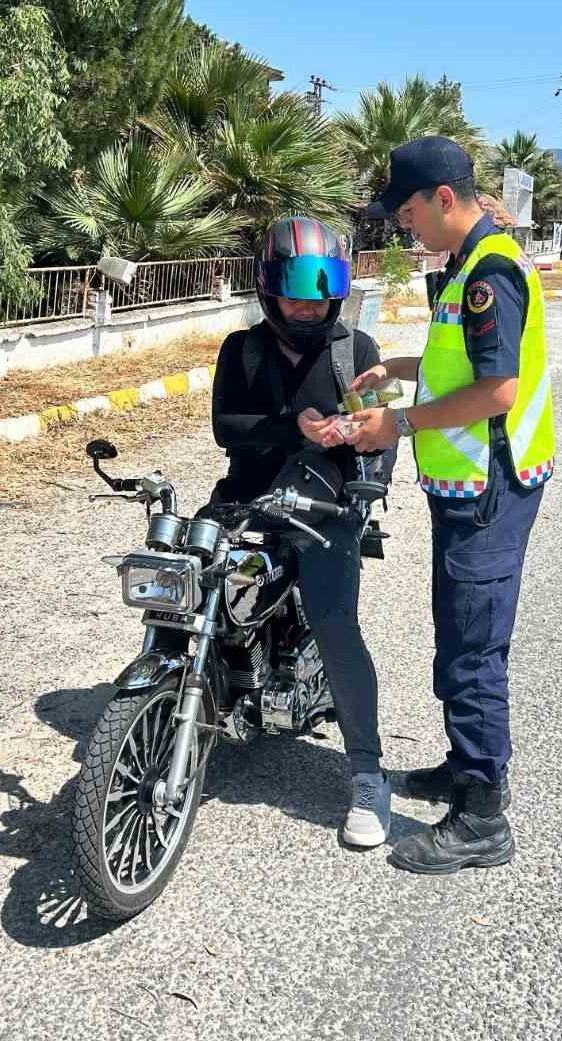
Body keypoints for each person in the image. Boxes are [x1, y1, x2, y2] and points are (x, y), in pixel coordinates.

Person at [345, 136, 554, 875]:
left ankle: (482, 818)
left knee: (473, 649)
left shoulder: (489, 271)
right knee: (458, 635)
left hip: (489, 491)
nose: (403, 225)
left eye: (406, 210)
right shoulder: (466, 263)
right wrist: (396, 368)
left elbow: (497, 391)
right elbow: (458, 361)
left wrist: (397, 423)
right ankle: (467, 766)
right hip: (467, 491)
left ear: (441, 198)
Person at [207, 215, 393, 848]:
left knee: (336, 625)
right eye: (294, 297)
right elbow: (227, 428)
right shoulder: (242, 349)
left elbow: (381, 431)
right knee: (187, 582)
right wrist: (295, 427)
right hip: (246, 497)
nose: (308, 308)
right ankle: (189, 694)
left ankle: (367, 773)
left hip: (325, 507)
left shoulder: (356, 350)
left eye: (319, 296)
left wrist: (369, 479)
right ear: (269, 291)